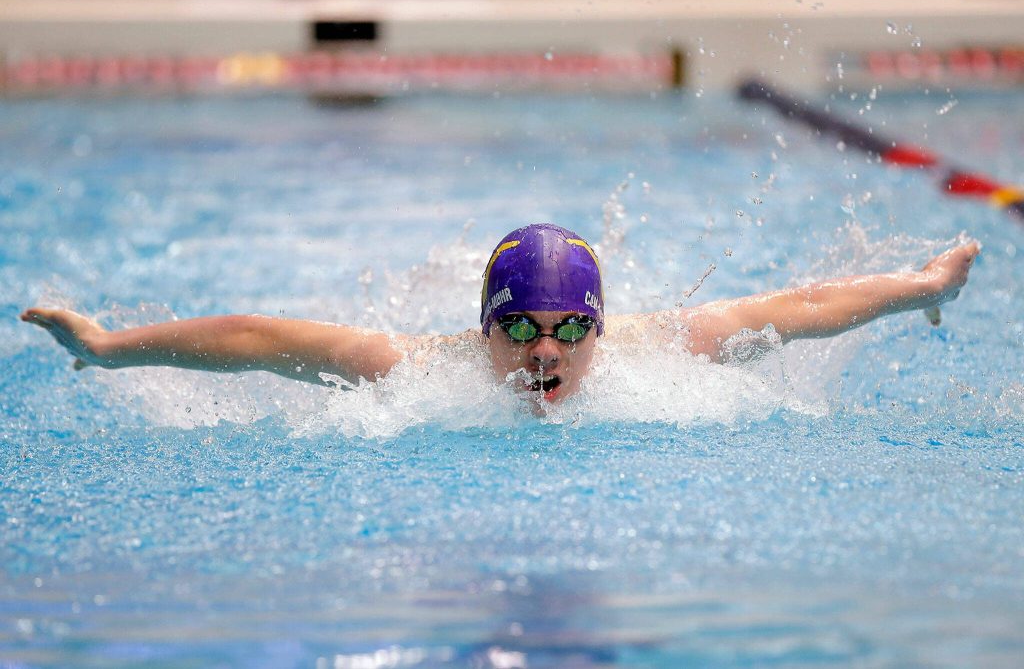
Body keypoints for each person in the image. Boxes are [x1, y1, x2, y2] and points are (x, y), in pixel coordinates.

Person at [21, 223, 980, 405]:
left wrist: (924, 290)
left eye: (571, 329)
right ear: (484, 328)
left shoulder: (667, 360)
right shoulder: (415, 373)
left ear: (602, 328)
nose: (546, 354)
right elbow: (260, 340)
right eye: (519, 329)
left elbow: (809, 306)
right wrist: (107, 350)